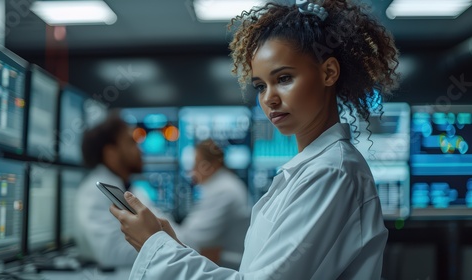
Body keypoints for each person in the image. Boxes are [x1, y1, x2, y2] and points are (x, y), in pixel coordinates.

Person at [109, 0, 399, 278]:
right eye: (260, 86)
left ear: (328, 72)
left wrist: (156, 246)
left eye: (284, 78)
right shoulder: (313, 169)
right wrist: (170, 244)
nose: (269, 99)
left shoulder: (332, 174)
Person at [75, 109, 151, 268]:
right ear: (111, 153)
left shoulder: (132, 189)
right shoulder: (94, 193)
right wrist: (172, 250)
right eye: (131, 143)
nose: (140, 150)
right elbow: (113, 253)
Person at [170, 139, 250, 269]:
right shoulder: (221, 185)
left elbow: (189, 241)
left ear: (211, 164)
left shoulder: (223, 191)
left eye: (196, 165)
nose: (192, 172)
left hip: (229, 270)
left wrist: (158, 226)